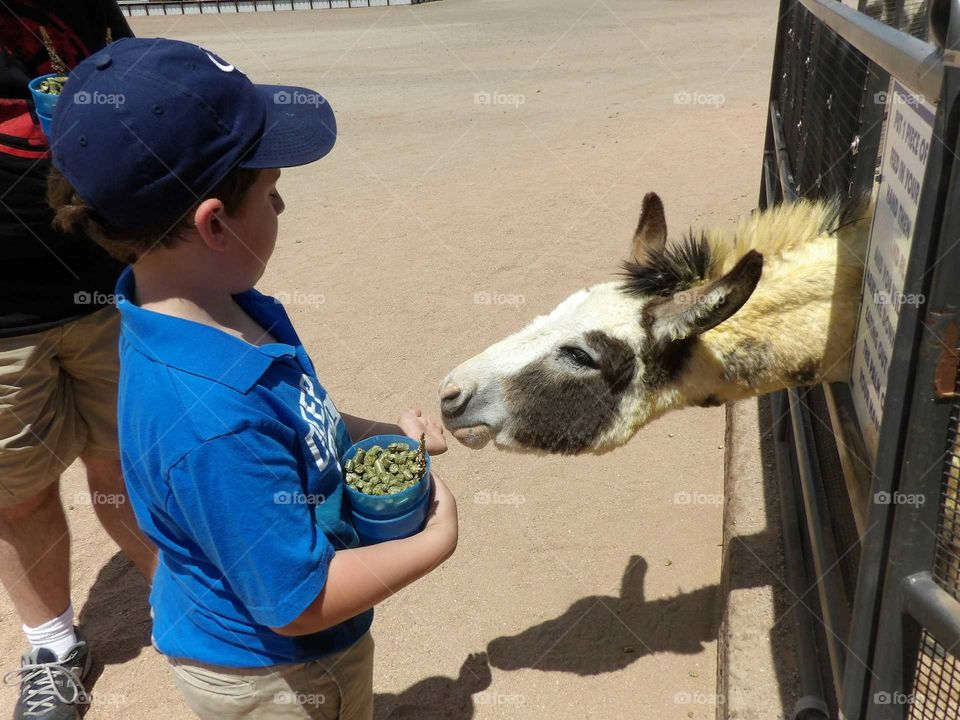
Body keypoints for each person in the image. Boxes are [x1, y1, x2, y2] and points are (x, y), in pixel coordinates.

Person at [45, 38, 459, 720]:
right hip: (272, 675)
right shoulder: (216, 419)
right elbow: (298, 602)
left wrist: (379, 435)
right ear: (214, 223)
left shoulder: (222, 310)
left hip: (295, 647)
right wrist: (435, 541)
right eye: (271, 191)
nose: (282, 208)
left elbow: (291, 414)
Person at [0, 5, 157, 720]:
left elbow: (144, 92)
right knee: (17, 493)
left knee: (131, 464)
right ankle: (55, 645)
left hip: (111, 284)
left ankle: (189, 608)